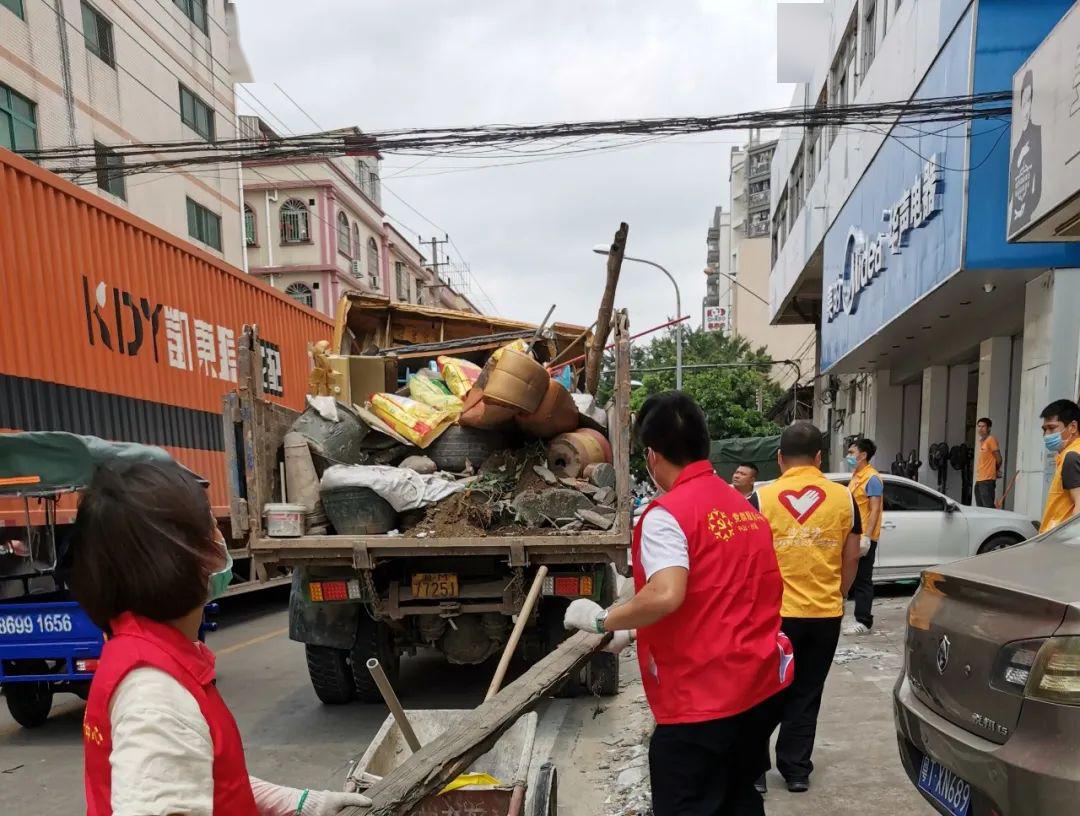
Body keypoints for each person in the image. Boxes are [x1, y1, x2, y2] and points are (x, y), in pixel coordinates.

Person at [72, 459, 372, 816]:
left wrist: (304, 804)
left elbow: (206, 779)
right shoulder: (154, 695)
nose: (221, 543)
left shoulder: (144, 650)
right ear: (177, 557)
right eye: (212, 531)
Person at [563, 392, 793, 816]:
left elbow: (668, 593)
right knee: (740, 796)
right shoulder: (743, 509)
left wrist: (604, 619)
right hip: (760, 689)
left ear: (652, 456)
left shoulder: (667, 514)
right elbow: (722, 593)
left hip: (701, 704)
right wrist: (634, 630)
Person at [750, 421, 860, 793]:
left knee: (763, 691)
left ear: (779, 458)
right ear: (819, 457)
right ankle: (796, 770)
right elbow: (851, 556)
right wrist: (839, 594)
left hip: (774, 617)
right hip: (824, 615)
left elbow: (747, 561)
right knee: (807, 691)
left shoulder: (761, 499)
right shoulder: (844, 498)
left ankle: (754, 772)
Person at [844, 438, 883, 635]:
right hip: (853, 535)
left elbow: (874, 510)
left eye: (852, 452)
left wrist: (867, 537)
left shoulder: (872, 478)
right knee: (851, 576)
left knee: (862, 579)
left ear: (863, 455)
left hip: (864, 537)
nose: (849, 456)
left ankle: (864, 621)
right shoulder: (856, 476)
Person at [1038, 399, 1080, 533]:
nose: (1046, 435)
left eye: (1052, 428)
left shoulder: (1071, 457)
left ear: (1072, 427)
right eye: (1044, 429)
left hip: (1059, 545)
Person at [1009, 69, 1042, 235]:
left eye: (1030, 100)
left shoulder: (1037, 133)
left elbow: (1038, 187)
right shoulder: (1015, 149)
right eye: (1024, 102)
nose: (1027, 107)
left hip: (1028, 221)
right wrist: (1020, 158)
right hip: (1013, 223)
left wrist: (1025, 210)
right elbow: (1010, 196)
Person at [974, 417, 1002, 508]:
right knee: (980, 508)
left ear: (989, 428)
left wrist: (996, 470)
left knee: (988, 508)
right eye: (979, 426)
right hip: (979, 480)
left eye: (983, 426)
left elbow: (999, 459)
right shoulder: (982, 441)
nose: (980, 429)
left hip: (987, 480)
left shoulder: (991, 440)